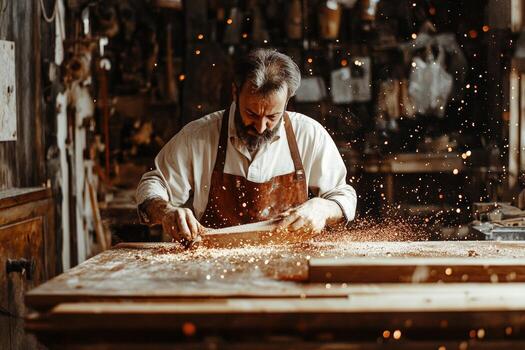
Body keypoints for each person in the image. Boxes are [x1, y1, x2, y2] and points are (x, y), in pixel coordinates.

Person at [136, 48, 357, 246]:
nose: (261, 127)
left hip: (292, 262)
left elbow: (343, 195)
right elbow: (154, 183)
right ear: (235, 93)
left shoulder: (308, 135)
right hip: (212, 265)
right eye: (251, 114)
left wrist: (322, 208)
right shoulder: (198, 136)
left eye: (272, 116)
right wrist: (166, 212)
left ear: (287, 102)